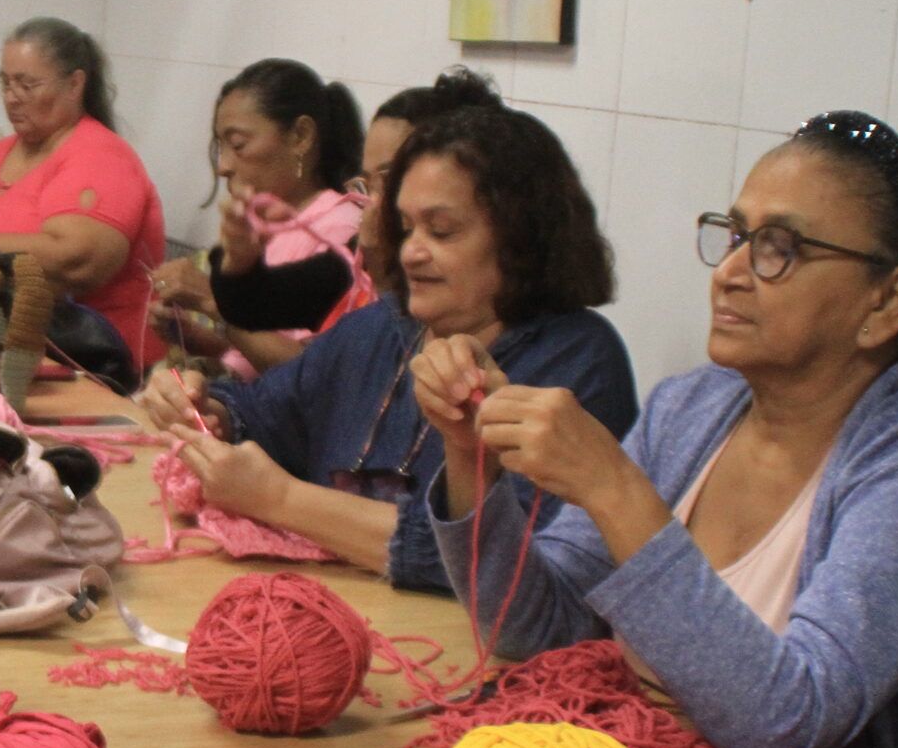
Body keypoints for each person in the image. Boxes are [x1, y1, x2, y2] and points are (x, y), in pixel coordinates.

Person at [415, 112, 898, 748]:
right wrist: (469, 457)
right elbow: (534, 629)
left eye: (782, 248)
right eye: (736, 234)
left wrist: (616, 490)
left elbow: (789, 724)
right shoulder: (693, 407)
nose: (731, 271)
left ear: (887, 302)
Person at [137, 100, 635, 592]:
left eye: (442, 231)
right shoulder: (381, 329)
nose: (412, 251)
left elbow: (507, 570)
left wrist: (280, 500)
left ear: (522, 239)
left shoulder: (576, 363)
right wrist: (209, 409)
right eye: (407, 227)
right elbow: (263, 411)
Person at [0, 17, 166, 369]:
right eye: (5, 83)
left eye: (27, 85)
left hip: (86, 364)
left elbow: (76, 260)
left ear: (74, 85)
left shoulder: (101, 157)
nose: (12, 98)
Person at [197, 66, 501, 337]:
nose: (373, 205)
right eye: (368, 184)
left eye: (442, 229)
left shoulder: (510, 336)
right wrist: (239, 259)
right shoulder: (360, 255)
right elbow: (262, 312)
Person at [148, 59, 370, 377]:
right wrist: (201, 341)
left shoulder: (341, 231)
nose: (223, 165)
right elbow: (256, 357)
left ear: (301, 137)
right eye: (220, 147)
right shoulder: (269, 223)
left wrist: (213, 301)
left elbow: (310, 375)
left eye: (238, 144)